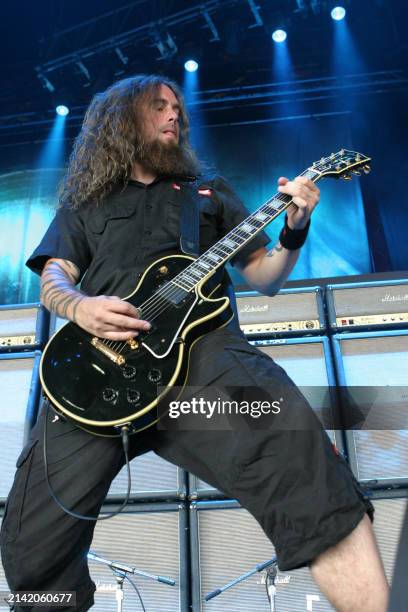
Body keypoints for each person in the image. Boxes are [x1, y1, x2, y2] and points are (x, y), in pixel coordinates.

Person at [0, 75, 389, 611]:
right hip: (95, 371)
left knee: (301, 464)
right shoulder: (86, 203)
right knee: (32, 549)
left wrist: (295, 226)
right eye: (158, 106)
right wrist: (83, 307)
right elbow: (54, 279)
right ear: (120, 122)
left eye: (178, 107)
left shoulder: (208, 192)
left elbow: (266, 276)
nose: (174, 114)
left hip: (203, 360)